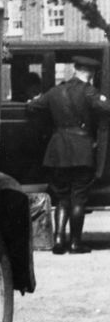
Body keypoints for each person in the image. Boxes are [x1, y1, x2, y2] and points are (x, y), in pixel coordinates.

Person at [27, 55, 110, 254]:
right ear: (89, 73)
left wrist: (32, 100)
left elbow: (33, 106)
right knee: (79, 198)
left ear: (75, 69)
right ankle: (75, 243)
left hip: (57, 153)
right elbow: (106, 108)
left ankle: (58, 241)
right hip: (81, 152)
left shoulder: (54, 91)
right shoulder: (90, 92)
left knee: (61, 198)